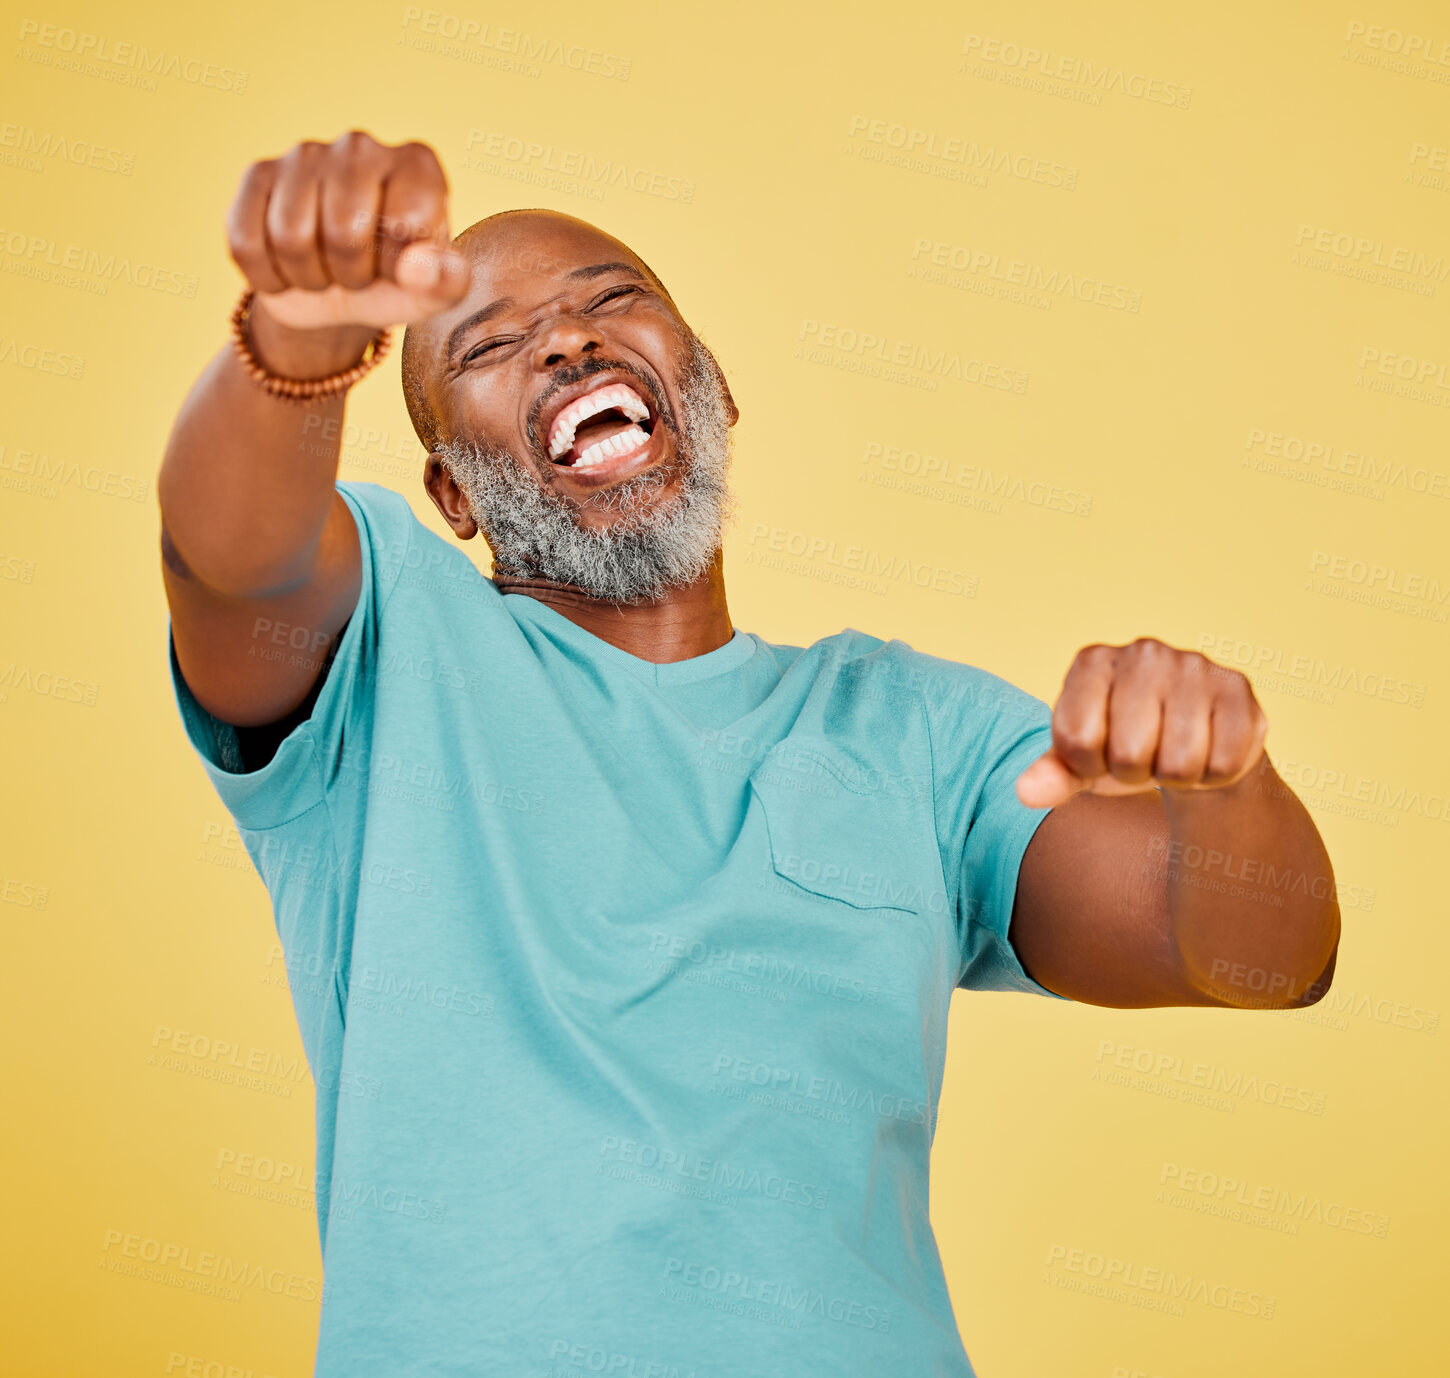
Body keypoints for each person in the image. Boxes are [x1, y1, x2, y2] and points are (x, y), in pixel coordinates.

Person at [158, 130, 1340, 1378]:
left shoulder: (915, 729)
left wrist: (1225, 785)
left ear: (714, 391)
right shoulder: (383, 648)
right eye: (492, 346)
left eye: (612, 302)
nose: (568, 342)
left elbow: (1272, 961)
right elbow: (230, 561)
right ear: (453, 497)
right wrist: (293, 339)